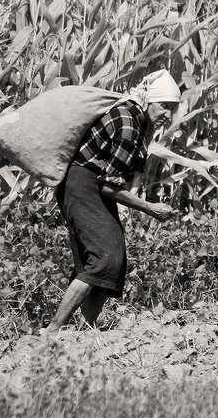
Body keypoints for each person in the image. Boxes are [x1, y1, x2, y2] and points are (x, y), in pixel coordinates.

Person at [43, 70, 180, 336]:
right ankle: (52, 331)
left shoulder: (134, 120)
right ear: (148, 101)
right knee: (106, 258)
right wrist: (150, 208)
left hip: (86, 185)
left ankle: (89, 331)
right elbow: (110, 186)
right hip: (82, 186)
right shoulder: (129, 126)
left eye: (172, 109)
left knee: (109, 260)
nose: (167, 113)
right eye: (164, 106)